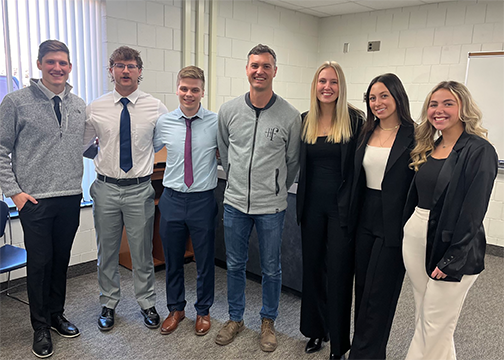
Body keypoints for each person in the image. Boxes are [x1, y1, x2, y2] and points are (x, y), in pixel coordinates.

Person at [0, 40, 85, 358]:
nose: (57, 68)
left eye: (63, 62)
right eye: (51, 62)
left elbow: (84, 145)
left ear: (70, 67)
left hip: (70, 197)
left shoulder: (78, 103)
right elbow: (0, 148)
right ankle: (40, 327)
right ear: (39, 64)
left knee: (60, 262)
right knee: (39, 263)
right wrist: (15, 193)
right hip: (34, 200)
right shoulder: (15, 102)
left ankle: (55, 315)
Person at [402, 81, 497, 360]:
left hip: (452, 244)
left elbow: (473, 211)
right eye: (433, 104)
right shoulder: (430, 146)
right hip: (416, 236)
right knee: (428, 316)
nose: (438, 110)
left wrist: (453, 257)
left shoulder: (479, 150)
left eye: (448, 103)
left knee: (434, 320)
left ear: (463, 108)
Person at [216, 44, 301, 352]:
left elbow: (293, 162)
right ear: (247, 69)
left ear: (274, 71)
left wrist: (277, 188)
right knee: (235, 265)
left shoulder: (290, 116)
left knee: (271, 268)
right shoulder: (228, 112)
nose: (259, 71)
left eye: (266, 66)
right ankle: (235, 318)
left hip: (271, 208)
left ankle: (268, 321)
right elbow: (225, 153)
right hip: (235, 204)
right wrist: (237, 182)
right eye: (254, 65)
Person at [84, 46, 168, 332]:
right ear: (111, 71)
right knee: (106, 251)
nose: (125, 71)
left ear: (140, 71)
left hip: (139, 189)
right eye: (119, 65)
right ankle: (108, 302)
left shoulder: (155, 106)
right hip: (106, 188)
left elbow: (159, 142)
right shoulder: (96, 107)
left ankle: (147, 303)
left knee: (141, 251)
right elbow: (84, 144)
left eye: (131, 66)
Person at [296, 61, 363, 360]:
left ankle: (339, 341)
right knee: (312, 271)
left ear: (341, 86)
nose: (327, 87)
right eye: (322, 81)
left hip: (341, 210)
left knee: (337, 274)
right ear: (315, 85)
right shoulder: (305, 119)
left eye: (333, 82)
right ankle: (315, 331)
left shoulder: (356, 120)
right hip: (311, 208)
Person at [348, 74, 415, 360]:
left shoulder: (416, 134)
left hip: (395, 221)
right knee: (362, 290)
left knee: (381, 293)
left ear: (398, 96)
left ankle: (366, 354)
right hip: (364, 216)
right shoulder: (366, 131)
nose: (378, 103)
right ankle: (365, 349)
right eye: (372, 97)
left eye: (384, 95)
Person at [153, 66, 218, 337]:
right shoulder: (164, 122)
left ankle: (203, 310)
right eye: (184, 88)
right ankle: (175, 308)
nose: (188, 94)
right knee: (173, 259)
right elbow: (146, 150)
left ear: (203, 91)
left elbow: (226, 154)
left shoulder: (216, 122)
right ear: (177, 89)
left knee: (204, 260)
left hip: (203, 199)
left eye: (194, 89)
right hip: (172, 199)